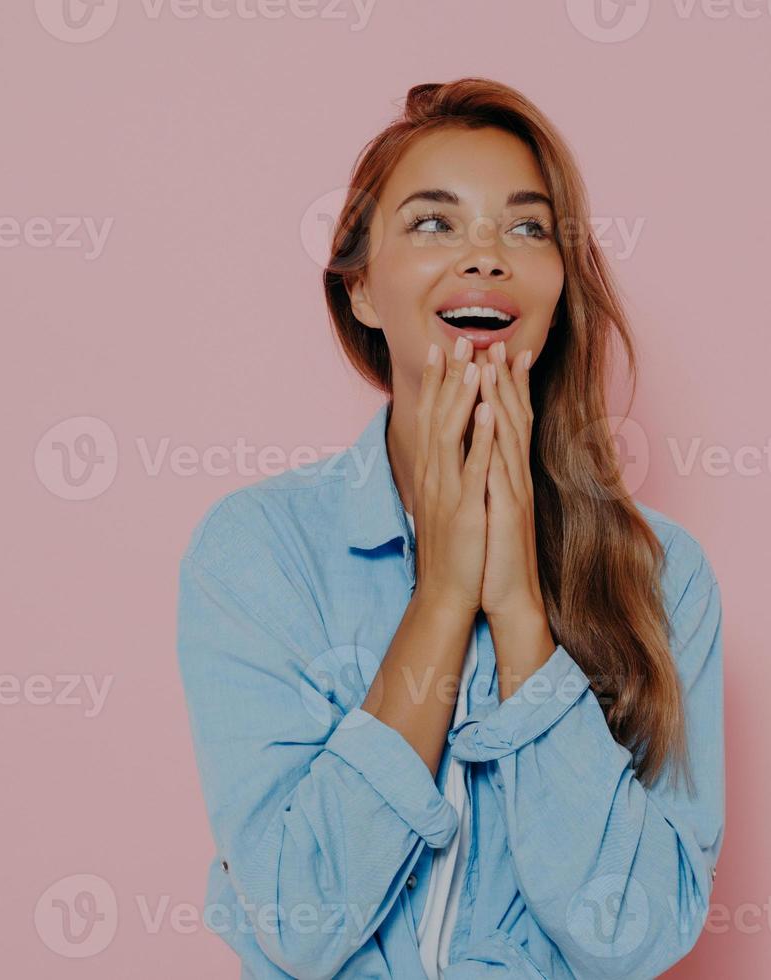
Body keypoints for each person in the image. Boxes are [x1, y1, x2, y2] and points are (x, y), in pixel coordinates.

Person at [176, 77, 724, 979]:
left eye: (527, 227)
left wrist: (518, 615)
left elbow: (635, 935)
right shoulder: (256, 552)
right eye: (433, 223)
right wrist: (441, 597)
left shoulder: (666, 576)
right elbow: (297, 917)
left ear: (558, 290)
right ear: (359, 289)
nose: (485, 257)